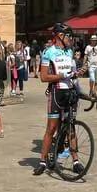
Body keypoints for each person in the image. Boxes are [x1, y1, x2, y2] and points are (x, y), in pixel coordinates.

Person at [33, 22, 85, 177]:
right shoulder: (49, 52)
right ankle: (42, 161)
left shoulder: (70, 52)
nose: (70, 39)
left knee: (71, 127)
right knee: (51, 128)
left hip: (69, 92)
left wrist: (77, 73)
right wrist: (62, 76)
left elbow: (71, 72)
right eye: (68, 36)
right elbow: (43, 77)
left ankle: (76, 161)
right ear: (59, 36)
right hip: (56, 93)